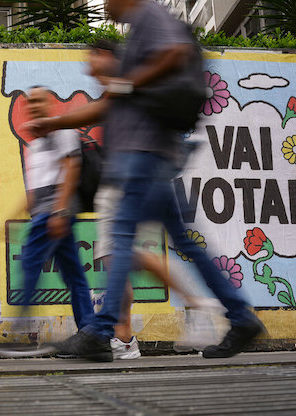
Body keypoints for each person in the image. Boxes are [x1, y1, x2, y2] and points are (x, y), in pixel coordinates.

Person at [27, 0, 265, 361]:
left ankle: (103, 330)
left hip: (141, 156)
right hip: (152, 160)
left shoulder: (150, 15)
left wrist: (127, 83)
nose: (105, 6)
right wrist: (54, 123)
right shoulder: (138, 34)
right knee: (186, 242)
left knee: (120, 237)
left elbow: (176, 52)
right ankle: (242, 317)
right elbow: (108, 104)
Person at [87, 41, 198, 360]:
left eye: (94, 56)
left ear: (109, 57)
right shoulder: (123, 88)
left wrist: (55, 123)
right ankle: (125, 337)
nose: (89, 64)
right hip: (124, 184)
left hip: (125, 185)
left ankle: (124, 338)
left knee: (116, 258)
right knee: (122, 258)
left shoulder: (124, 87)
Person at [17, 86, 94, 334]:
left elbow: (72, 168)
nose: (34, 105)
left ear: (50, 103)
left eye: (39, 100)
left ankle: (21, 326)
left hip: (54, 213)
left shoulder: (62, 130)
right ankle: (90, 333)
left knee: (30, 260)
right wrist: (16, 212)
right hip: (46, 212)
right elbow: (38, 186)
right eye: (30, 102)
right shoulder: (37, 142)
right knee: (73, 276)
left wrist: (60, 212)